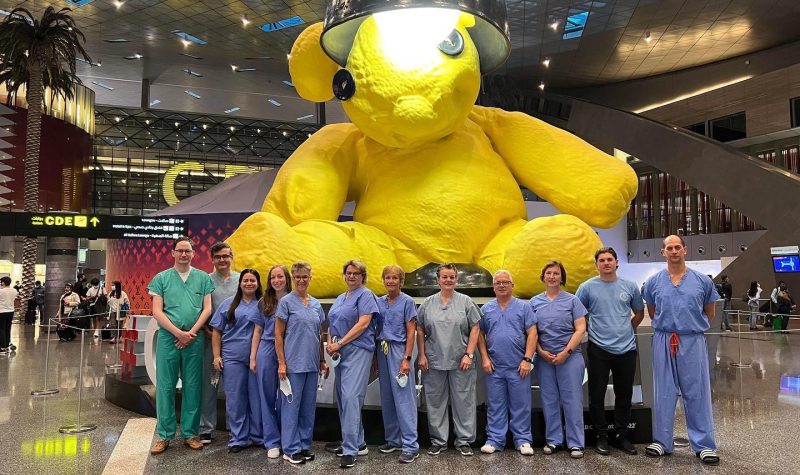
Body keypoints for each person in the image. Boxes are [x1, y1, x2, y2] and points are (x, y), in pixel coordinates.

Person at [642, 235, 719, 466]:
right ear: (663, 252)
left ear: (685, 250)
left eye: (678, 247)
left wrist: (687, 326)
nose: (674, 251)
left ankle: (704, 444)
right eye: (669, 248)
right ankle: (662, 441)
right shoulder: (654, 282)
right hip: (664, 339)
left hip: (691, 340)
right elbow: (653, 311)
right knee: (663, 391)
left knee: (697, 392)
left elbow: (710, 312)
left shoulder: (702, 282)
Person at [148, 236, 215, 455]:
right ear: (173, 253)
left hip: (194, 340)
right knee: (165, 386)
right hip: (169, 338)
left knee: (193, 387)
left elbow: (207, 309)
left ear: (194, 253)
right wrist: (178, 333)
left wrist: (191, 332)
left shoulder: (203, 278)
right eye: (180, 250)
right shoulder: (161, 278)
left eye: (188, 251)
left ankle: (191, 434)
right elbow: (157, 311)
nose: (184, 254)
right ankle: (164, 435)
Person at [576, 247, 644, 456]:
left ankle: (622, 435)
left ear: (616, 263)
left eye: (609, 259)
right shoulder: (586, 288)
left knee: (624, 394)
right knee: (596, 394)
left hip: (626, 349)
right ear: (596, 265)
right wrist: (595, 330)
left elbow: (639, 313)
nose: (606, 263)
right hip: (598, 349)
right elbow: (579, 315)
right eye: (602, 260)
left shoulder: (630, 286)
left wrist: (626, 330)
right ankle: (601, 436)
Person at [417, 263, 482, 457]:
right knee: (435, 400)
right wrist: (421, 354)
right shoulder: (428, 303)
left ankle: (464, 441)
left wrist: (469, 354)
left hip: (461, 360)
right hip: (434, 359)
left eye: (451, 277)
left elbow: (476, 328)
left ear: (456, 279)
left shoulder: (466, 302)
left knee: (464, 400)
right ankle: (438, 441)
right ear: (437, 280)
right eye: (444, 277)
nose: (448, 280)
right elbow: (419, 329)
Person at [530, 261, 588, 459]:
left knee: (572, 400)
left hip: (570, 357)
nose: (552, 276)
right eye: (549, 273)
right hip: (544, 358)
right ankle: (554, 440)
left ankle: (576, 443)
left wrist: (566, 352)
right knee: (549, 399)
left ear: (561, 277)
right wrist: (540, 351)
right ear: (543, 277)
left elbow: (581, 328)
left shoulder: (572, 301)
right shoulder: (534, 302)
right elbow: (531, 332)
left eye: (556, 273)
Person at [326, 260, 380, 469]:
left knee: (351, 397)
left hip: (358, 350)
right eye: (348, 273)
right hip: (340, 351)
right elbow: (333, 323)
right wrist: (332, 344)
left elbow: (363, 323)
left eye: (356, 273)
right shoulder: (341, 297)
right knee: (343, 397)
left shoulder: (366, 295)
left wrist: (340, 342)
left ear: (363, 276)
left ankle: (350, 451)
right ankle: (358, 442)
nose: (351, 276)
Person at [477, 270, 537, 456]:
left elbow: (533, 333)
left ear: (512, 285)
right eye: (498, 282)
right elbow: (479, 334)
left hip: (519, 366)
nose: (501, 285)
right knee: (495, 405)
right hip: (494, 366)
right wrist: (485, 358)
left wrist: (527, 359)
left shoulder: (523, 307)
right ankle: (494, 439)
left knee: (521, 404)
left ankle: (523, 440)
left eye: (505, 282)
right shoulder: (486, 309)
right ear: (493, 286)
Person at [276, 261, 328, 465]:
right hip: (292, 364)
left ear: (310, 277)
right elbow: (278, 336)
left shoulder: (315, 304)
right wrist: (281, 363)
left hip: (312, 364)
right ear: (292, 278)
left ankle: (304, 444)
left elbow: (320, 334)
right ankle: (290, 448)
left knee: (307, 408)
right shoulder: (286, 302)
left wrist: (322, 359)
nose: (301, 280)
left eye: (304, 276)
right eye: (297, 277)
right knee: (291, 408)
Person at [210, 269, 263, 452]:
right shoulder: (228, 304)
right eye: (245, 280)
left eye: (252, 280)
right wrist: (217, 356)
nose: (249, 283)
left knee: (257, 398)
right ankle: (238, 438)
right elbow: (216, 331)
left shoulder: (264, 305)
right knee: (235, 399)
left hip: (258, 359)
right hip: (233, 358)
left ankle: (258, 436)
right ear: (240, 283)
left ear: (258, 283)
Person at [375, 265, 419, 464]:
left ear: (401, 281)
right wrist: (376, 358)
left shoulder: (407, 302)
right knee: (388, 397)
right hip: (382, 350)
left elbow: (411, 331)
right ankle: (393, 439)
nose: (391, 281)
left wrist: (407, 358)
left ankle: (411, 445)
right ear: (383, 280)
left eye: (395, 278)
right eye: (387, 278)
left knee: (404, 398)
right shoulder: (379, 301)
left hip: (399, 350)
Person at [199, 242, 240, 445]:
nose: (222, 260)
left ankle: (236, 430)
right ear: (212, 259)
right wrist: (207, 332)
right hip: (209, 340)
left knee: (234, 389)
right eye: (218, 257)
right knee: (209, 386)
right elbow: (199, 309)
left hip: (236, 343)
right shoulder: (205, 281)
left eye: (226, 256)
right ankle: (206, 428)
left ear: (232, 256)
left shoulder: (242, 280)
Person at [249, 264, 291, 459]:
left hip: (289, 351)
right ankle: (272, 441)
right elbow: (257, 330)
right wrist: (253, 357)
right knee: (266, 397)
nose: (276, 280)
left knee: (286, 397)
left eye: (280, 276)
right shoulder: (264, 301)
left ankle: (287, 438)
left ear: (287, 278)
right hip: (266, 350)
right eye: (273, 277)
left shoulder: (294, 299)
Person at [0, 276, 18, 354]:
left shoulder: (1, 291)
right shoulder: (14, 291)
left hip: (2, 311)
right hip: (11, 311)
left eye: (1, 282)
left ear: (3, 282)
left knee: (1, 329)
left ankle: (3, 347)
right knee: (7, 328)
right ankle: (7, 344)